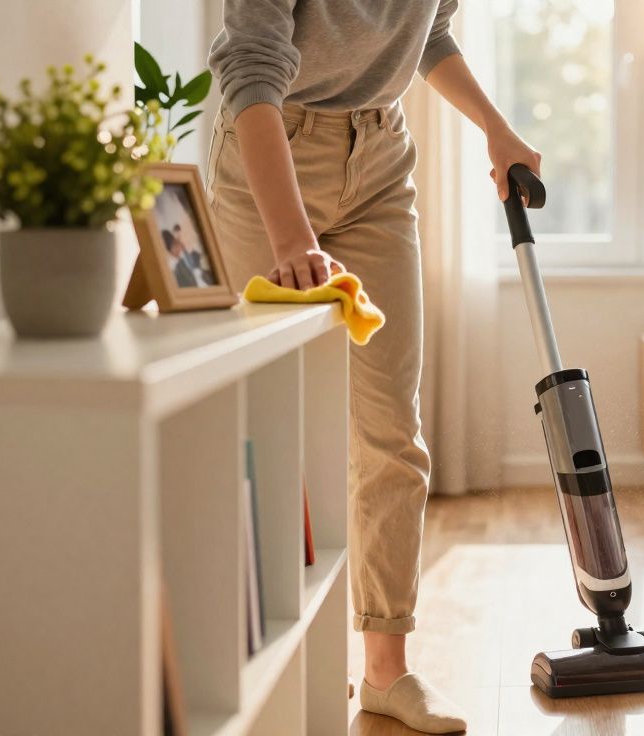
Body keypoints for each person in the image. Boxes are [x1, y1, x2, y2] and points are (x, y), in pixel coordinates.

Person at [207, 2, 539, 733]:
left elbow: (430, 33)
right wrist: (292, 234)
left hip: (382, 159)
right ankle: (247, 661)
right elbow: (249, 64)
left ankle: (385, 672)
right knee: (256, 427)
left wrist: (494, 125)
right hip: (271, 146)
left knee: (393, 430)